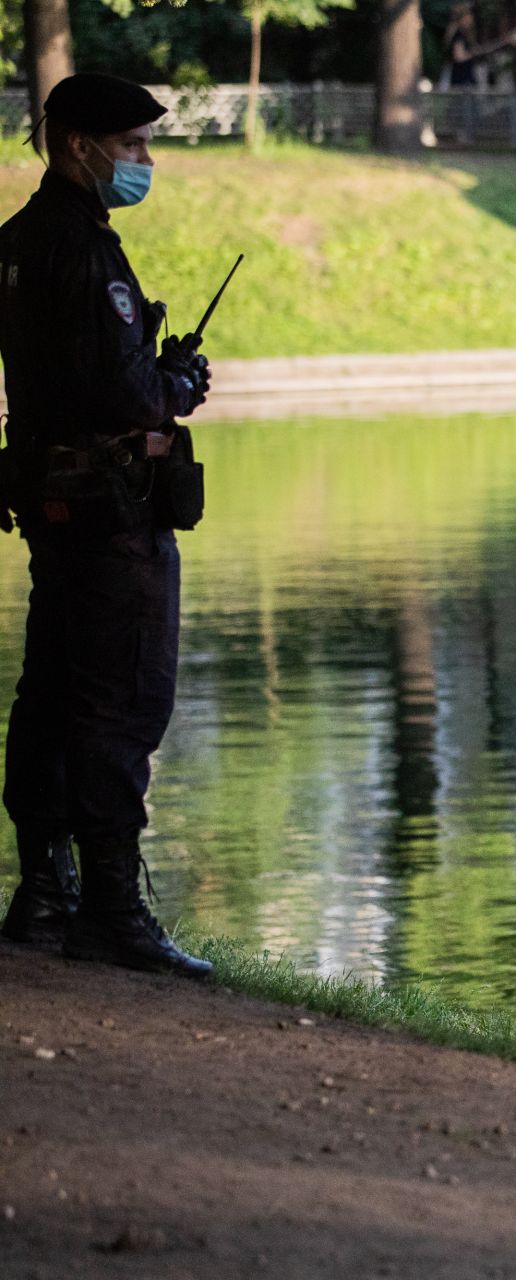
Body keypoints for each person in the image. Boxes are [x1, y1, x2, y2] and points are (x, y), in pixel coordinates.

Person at [0, 73, 213, 976]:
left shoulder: (16, 242)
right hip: (111, 514)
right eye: (131, 146)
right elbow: (121, 391)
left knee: (51, 693)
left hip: (54, 505)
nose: (145, 161)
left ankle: (45, 891)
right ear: (78, 145)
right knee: (122, 702)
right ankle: (113, 911)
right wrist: (179, 389)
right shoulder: (85, 250)